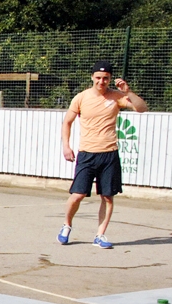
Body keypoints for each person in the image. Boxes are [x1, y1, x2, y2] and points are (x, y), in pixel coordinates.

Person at [57, 60, 148, 249]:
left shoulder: (117, 97)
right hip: (87, 154)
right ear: (92, 77)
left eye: (105, 78)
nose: (101, 81)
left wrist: (128, 92)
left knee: (107, 196)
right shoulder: (81, 98)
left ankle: (100, 235)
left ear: (110, 79)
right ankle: (66, 225)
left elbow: (142, 108)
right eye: (98, 77)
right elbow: (67, 122)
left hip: (109, 154)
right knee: (78, 194)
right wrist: (66, 146)